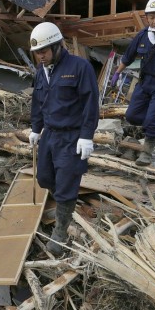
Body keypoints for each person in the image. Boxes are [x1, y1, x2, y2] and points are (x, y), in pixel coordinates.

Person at [28, 23, 99, 257]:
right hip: (50, 135)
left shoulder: (79, 67)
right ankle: (63, 202)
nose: (40, 57)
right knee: (45, 177)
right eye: (37, 53)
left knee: (67, 183)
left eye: (44, 52)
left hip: (72, 136)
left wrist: (87, 136)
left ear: (58, 46)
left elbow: (90, 104)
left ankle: (61, 231)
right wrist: (36, 128)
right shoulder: (42, 71)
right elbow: (38, 102)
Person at [111, 0, 155, 166]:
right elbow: (128, 57)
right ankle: (145, 131)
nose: (154, 21)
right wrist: (116, 74)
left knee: (152, 119)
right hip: (144, 82)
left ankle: (147, 152)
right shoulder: (143, 35)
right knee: (131, 115)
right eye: (151, 17)